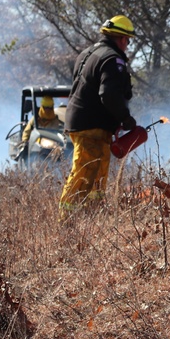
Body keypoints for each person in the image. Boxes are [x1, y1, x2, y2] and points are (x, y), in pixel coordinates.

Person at [59, 15, 138, 220]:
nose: (127, 45)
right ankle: (65, 222)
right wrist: (125, 118)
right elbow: (109, 94)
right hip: (91, 125)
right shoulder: (112, 59)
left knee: (98, 175)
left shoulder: (88, 53)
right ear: (122, 39)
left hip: (86, 123)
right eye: (127, 40)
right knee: (85, 172)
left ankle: (91, 220)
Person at [20, 96, 65, 161]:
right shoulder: (35, 118)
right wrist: (24, 141)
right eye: (45, 108)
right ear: (42, 107)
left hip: (50, 145)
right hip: (34, 144)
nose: (47, 110)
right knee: (24, 152)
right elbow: (27, 131)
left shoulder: (55, 120)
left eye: (49, 108)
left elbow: (55, 133)